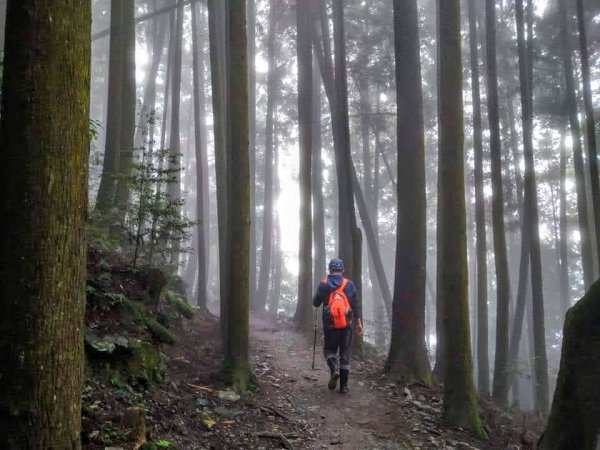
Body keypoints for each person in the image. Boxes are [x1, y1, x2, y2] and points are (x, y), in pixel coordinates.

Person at [313, 258, 363, 393]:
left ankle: (333, 369)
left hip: (330, 325)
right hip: (346, 325)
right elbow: (356, 304)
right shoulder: (349, 284)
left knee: (329, 350)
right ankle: (344, 387)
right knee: (345, 353)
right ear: (343, 270)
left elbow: (315, 303)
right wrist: (358, 322)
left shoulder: (323, 285)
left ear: (330, 270)